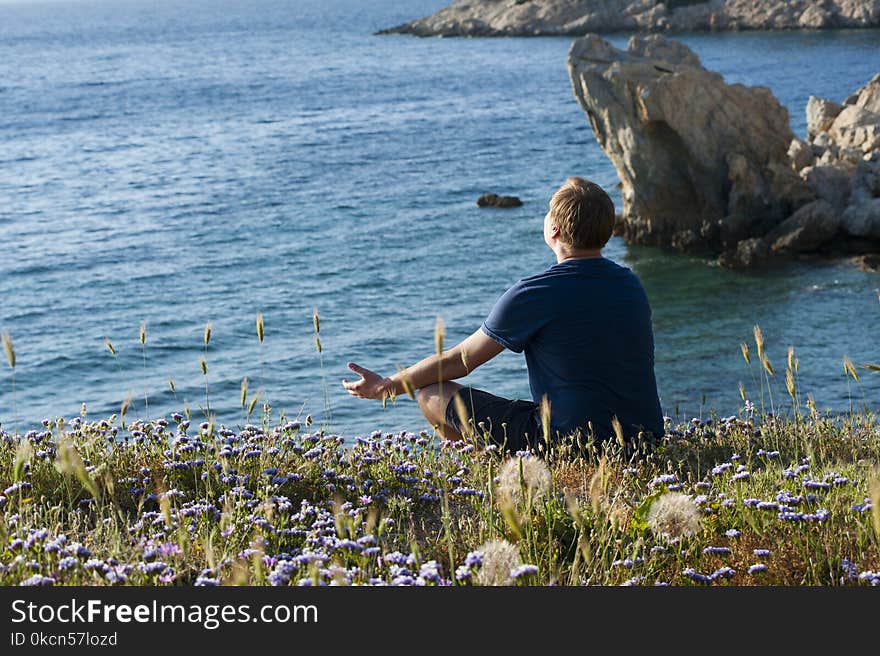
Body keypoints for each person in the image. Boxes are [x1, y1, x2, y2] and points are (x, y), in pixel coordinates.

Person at [342, 177, 664, 453]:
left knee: (431, 394)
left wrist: (387, 386)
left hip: (569, 442)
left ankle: (479, 474)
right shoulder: (630, 284)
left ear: (553, 229)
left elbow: (461, 361)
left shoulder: (535, 293)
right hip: (644, 440)